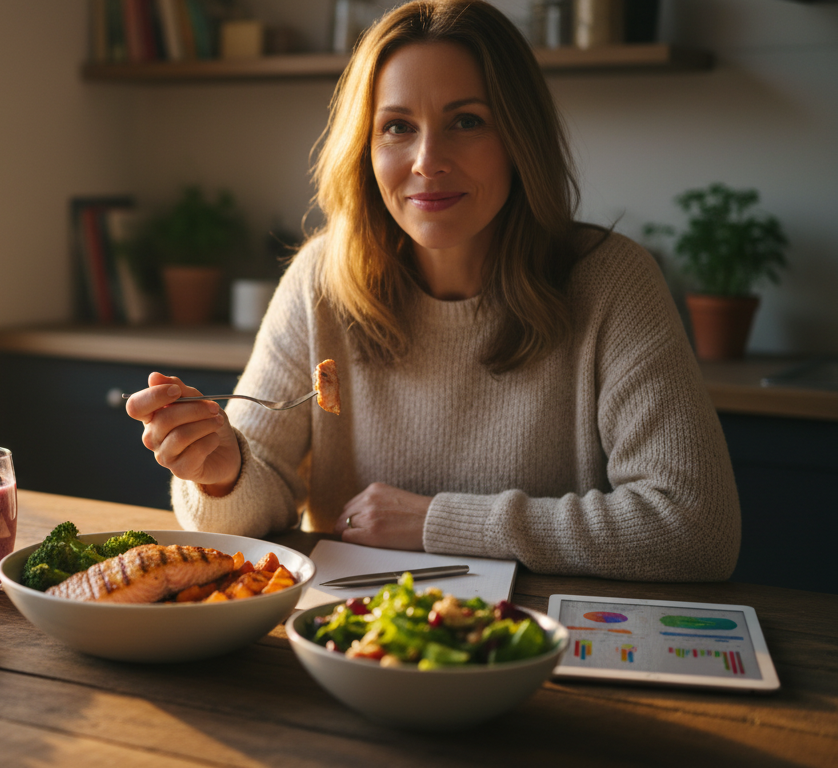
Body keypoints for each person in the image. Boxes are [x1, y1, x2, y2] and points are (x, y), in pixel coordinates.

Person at [124, 0, 739, 582]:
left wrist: (437, 523)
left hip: (539, 645)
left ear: (519, 139)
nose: (427, 160)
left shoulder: (611, 282)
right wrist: (221, 475)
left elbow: (694, 528)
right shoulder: (319, 279)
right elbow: (255, 509)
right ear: (365, 149)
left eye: (466, 121)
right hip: (352, 638)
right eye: (396, 126)